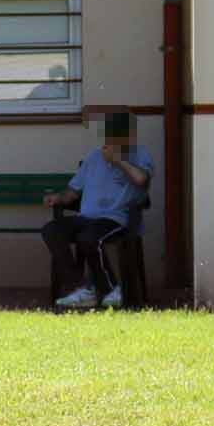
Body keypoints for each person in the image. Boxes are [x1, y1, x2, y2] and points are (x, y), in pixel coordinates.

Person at [43, 112, 153, 309]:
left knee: (89, 238)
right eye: (110, 135)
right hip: (86, 217)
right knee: (52, 230)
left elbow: (141, 180)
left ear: (130, 136)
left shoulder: (139, 154)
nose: (113, 139)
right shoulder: (94, 157)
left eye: (119, 134)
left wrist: (119, 161)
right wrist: (58, 198)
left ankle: (111, 290)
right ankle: (82, 289)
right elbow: (73, 192)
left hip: (116, 218)